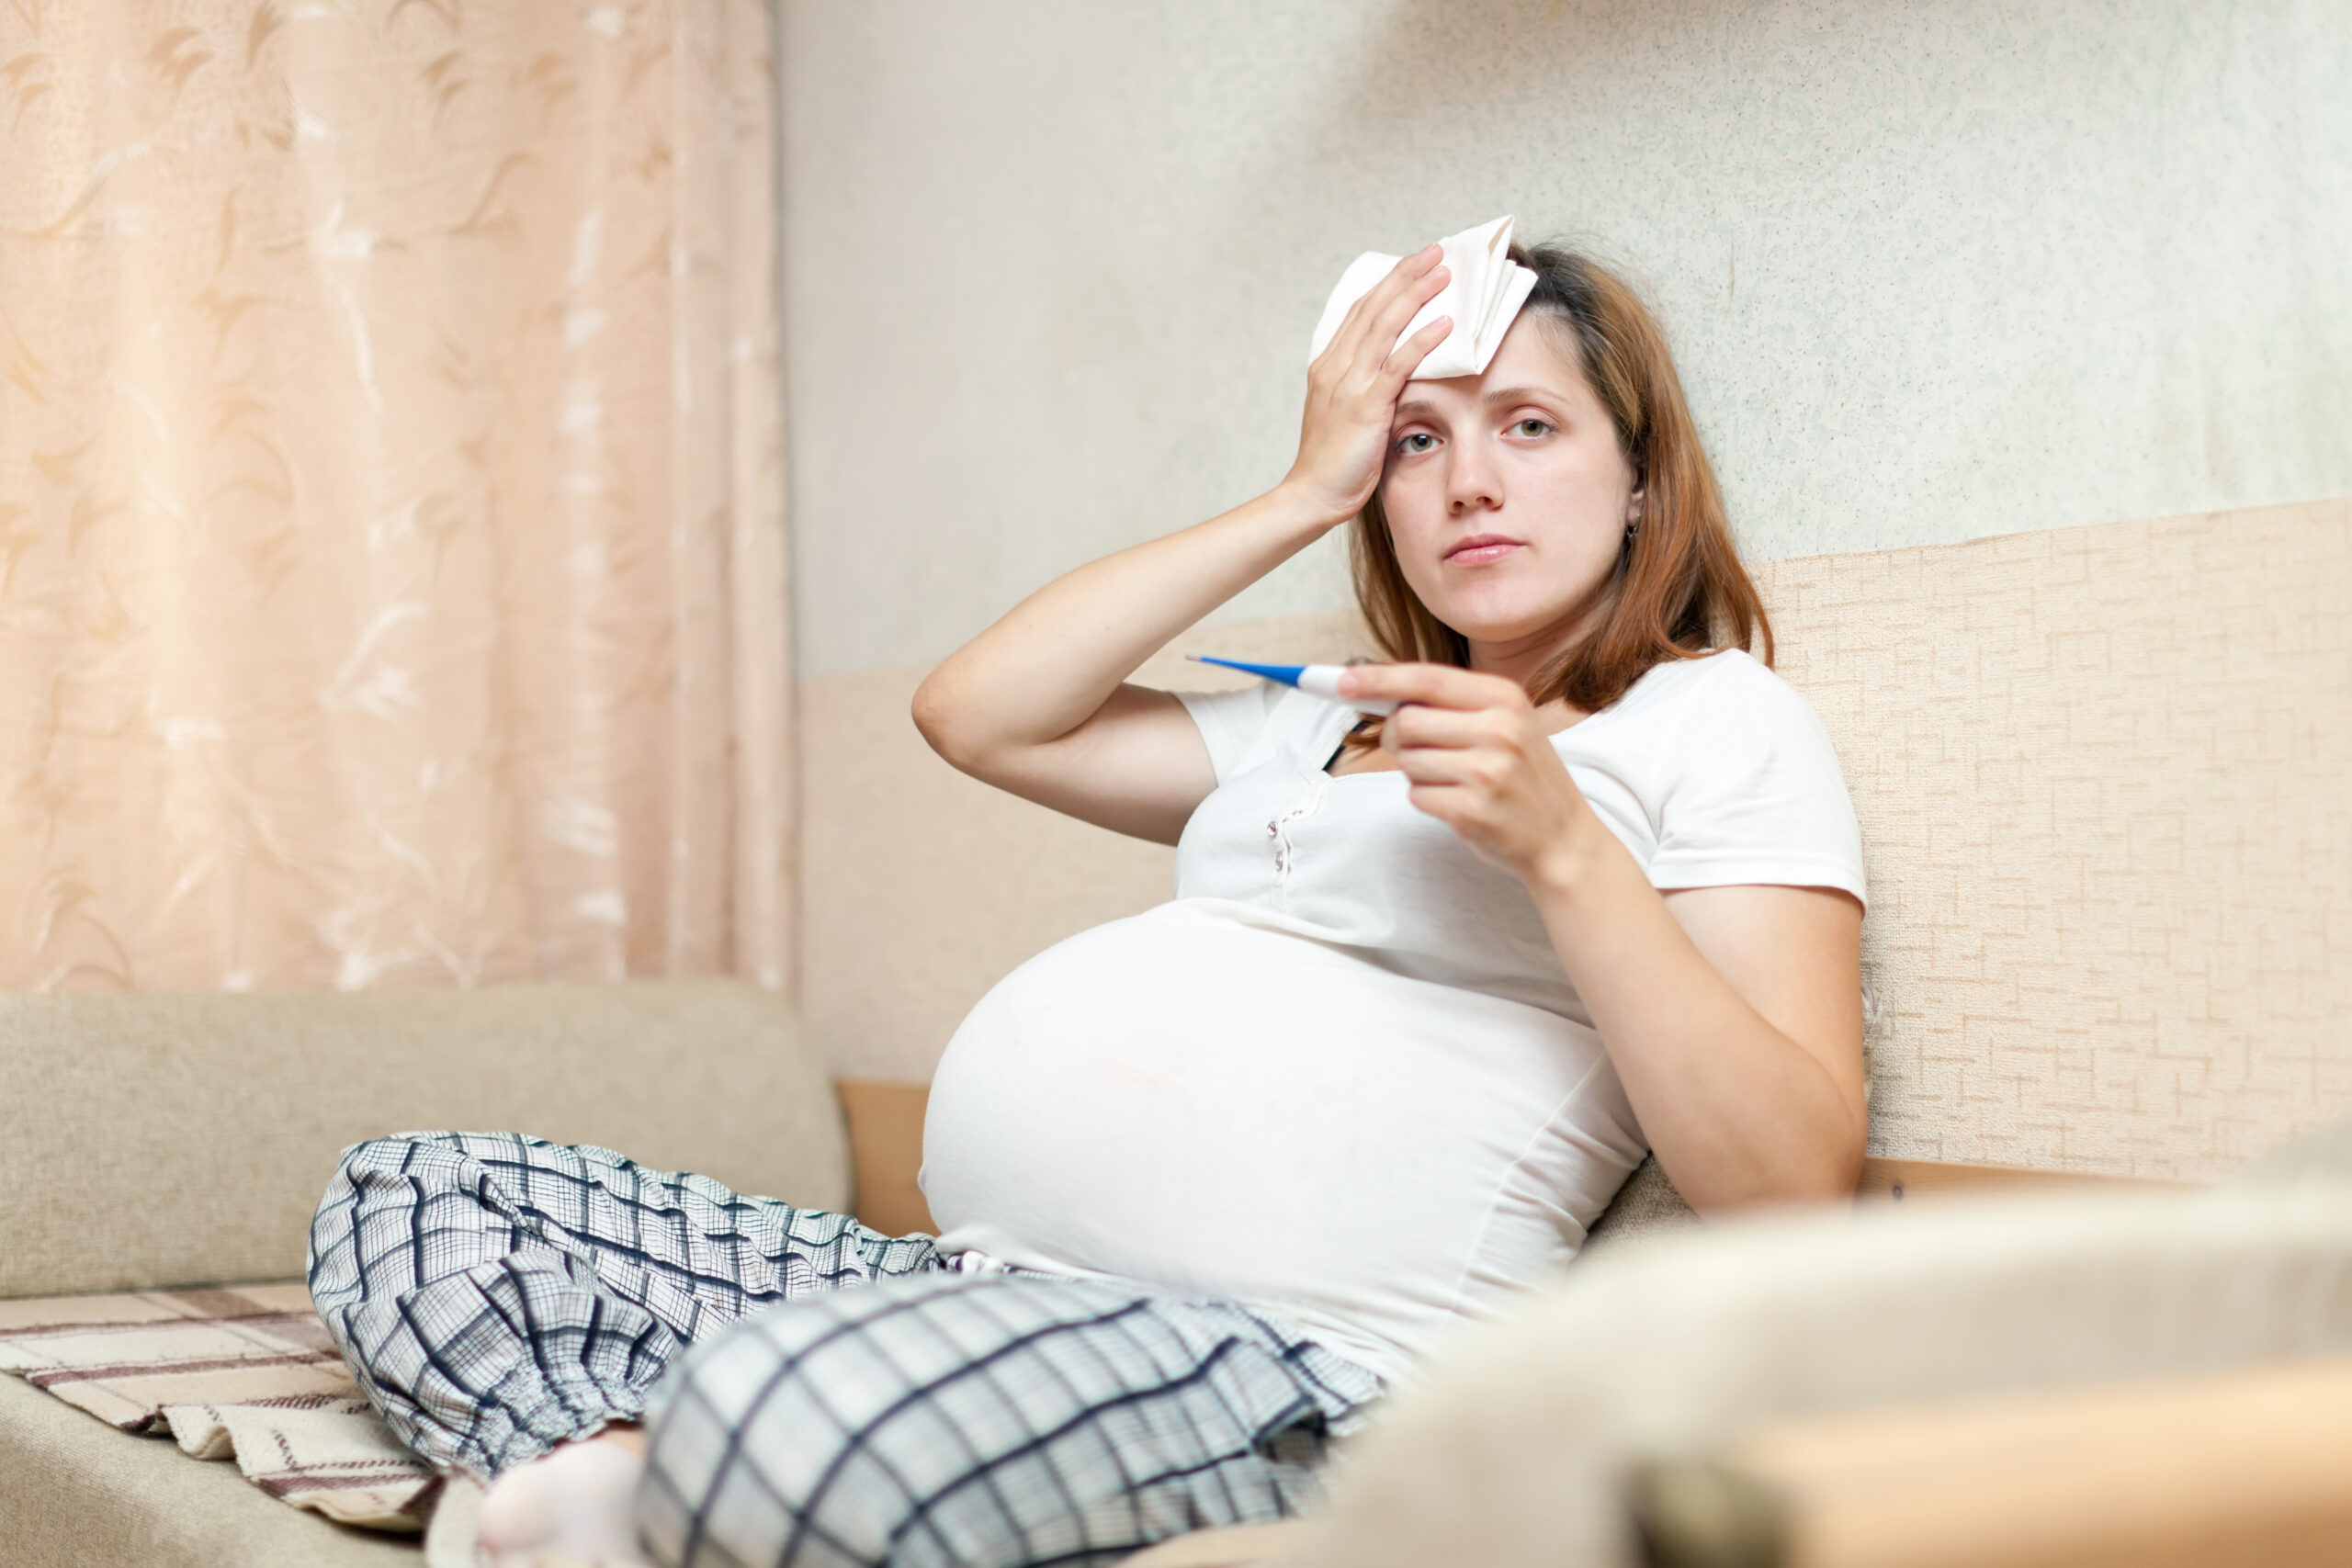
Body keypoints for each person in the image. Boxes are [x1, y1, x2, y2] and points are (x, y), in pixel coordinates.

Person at [309, 238, 1866, 1568]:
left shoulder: (1710, 721)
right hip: (967, 1291)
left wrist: (1564, 849)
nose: (1469, 481)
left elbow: (1791, 1183)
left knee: (800, 1417)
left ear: (1640, 469)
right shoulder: (1310, 726)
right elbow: (978, 712)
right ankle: (616, 1477)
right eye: (1415, 441)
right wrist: (1296, 491)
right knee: (410, 1193)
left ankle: (665, 1478)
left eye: (1529, 425)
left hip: (1290, 1362)